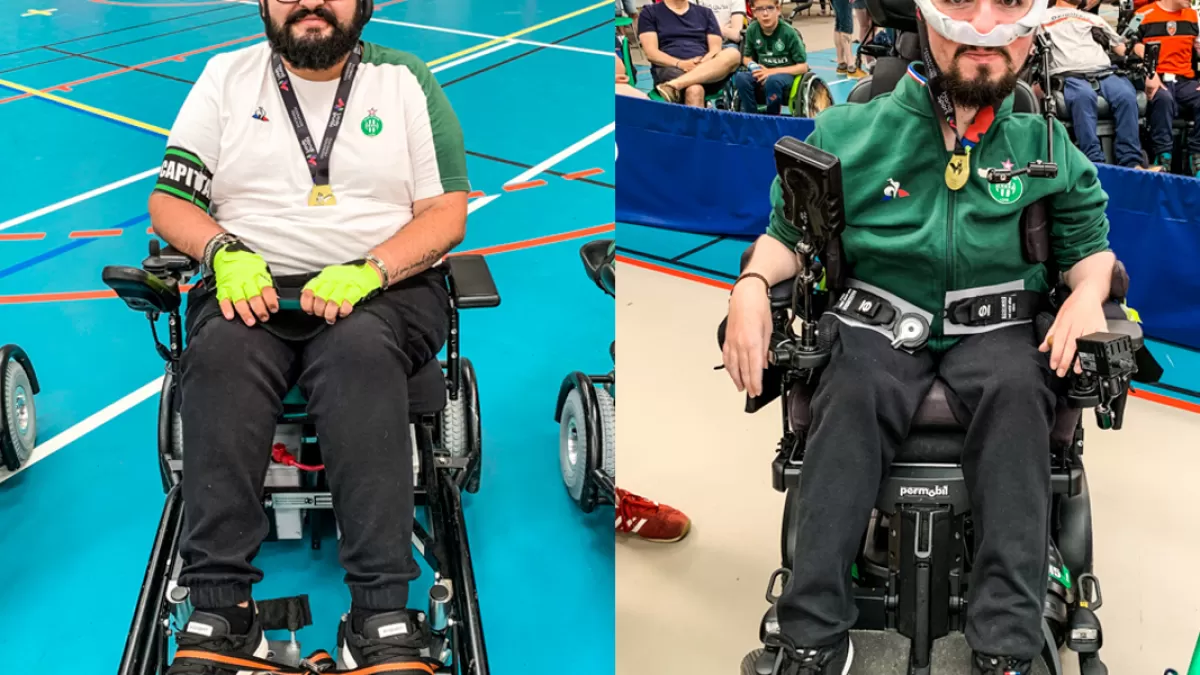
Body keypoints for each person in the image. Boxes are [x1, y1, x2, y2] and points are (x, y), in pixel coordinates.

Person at [721, 0, 1116, 669]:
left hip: (1000, 330)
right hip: (875, 327)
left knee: (1020, 392)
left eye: (1007, 7)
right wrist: (752, 285)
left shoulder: (1047, 145)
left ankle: (1007, 645)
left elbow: (1090, 248)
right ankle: (813, 636)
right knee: (850, 390)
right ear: (925, 19)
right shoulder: (848, 131)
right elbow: (786, 235)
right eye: (961, 4)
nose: (984, 29)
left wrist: (1087, 292)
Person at [147, 0, 469, 670]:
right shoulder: (225, 78)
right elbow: (170, 201)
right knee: (221, 353)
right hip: (252, 284)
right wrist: (221, 251)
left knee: (357, 351)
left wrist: (373, 269)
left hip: (380, 288)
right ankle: (221, 612)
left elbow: (445, 212)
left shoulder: (406, 79)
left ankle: (379, 614)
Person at [1042, 0, 1149, 169]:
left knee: (1126, 95)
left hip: (1104, 72)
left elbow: (1121, 47)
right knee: (1083, 97)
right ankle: (1094, 163)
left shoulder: (1093, 18)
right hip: (1071, 74)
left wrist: (1138, 50)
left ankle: (1131, 162)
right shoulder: (1042, 18)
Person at [1133, 0, 1200, 175]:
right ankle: (1163, 158)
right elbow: (1127, 44)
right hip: (1156, 77)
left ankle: (1197, 156)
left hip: (1185, 80)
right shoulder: (1143, 14)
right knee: (1163, 98)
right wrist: (1150, 71)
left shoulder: (1193, 16)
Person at [637, 0, 742, 105]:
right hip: (671, 67)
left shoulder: (705, 13)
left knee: (733, 54)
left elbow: (715, 48)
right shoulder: (650, 13)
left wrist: (703, 62)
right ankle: (678, 85)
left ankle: (674, 85)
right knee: (695, 89)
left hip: (706, 67)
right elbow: (651, 53)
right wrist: (680, 64)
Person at [735, 0, 810, 115]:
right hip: (762, 72)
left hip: (786, 75)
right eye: (760, 9)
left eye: (770, 8)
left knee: (773, 81)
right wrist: (754, 67)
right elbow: (746, 58)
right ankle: (751, 116)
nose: (765, 14)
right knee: (741, 78)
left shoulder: (789, 33)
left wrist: (770, 72)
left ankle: (772, 116)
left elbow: (803, 67)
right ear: (754, 12)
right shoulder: (752, 30)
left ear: (778, 9)